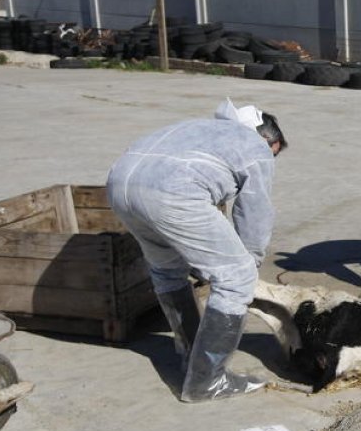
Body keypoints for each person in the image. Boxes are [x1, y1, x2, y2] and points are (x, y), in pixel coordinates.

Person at [106, 98, 287, 402]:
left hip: (119, 186)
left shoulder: (198, 128)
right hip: (173, 192)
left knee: (167, 271)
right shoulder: (254, 147)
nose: (271, 160)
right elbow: (254, 213)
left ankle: (191, 357)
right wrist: (249, 263)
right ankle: (206, 381)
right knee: (237, 276)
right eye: (274, 153)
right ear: (266, 137)